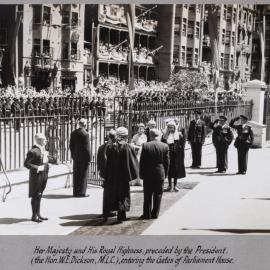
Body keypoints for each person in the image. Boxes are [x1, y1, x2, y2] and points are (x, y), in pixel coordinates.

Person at [105, 127, 139, 223]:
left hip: (114, 175)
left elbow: (108, 162)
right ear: (125, 136)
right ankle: (121, 215)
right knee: (123, 194)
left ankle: (120, 215)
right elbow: (130, 162)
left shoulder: (111, 147)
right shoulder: (126, 147)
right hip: (123, 176)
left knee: (117, 194)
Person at [24, 133, 57, 223]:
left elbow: (52, 160)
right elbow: (26, 164)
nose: (46, 140)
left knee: (40, 194)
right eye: (44, 139)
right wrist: (37, 167)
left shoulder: (44, 150)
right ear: (39, 140)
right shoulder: (33, 151)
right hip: (36, 176)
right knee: (36, 195)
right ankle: (34, 215)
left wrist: (50, 160)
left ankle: (38, 214)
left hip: (44, 174)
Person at [139, 129, 169, 219]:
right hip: (160, 173)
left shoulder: (145, 145)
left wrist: (141, 174)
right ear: (158, 136)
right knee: (158, 194)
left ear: (150, 136)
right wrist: (165, 174)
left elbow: (142, 162)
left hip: (148, 173)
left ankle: (146, 214)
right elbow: (167, 162)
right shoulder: (165, 146)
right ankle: (155, 213)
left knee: (147, 194)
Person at [97, 129, 117, 222]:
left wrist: (101, 171)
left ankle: (106, 210)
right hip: (112, 174)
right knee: (112, 192)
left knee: (106, 193)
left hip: (105, 173)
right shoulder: (114, 147)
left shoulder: (102, 147)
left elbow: (99, 161)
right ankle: (111, 210)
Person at [162, 120, 186, 191]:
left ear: (175, 127)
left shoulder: (178, 135)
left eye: (172, 127)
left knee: (175, 170)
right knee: (169, 170)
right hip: (168, 154)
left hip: (176, 155)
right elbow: (163, 142)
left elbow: (181, 145)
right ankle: (169, 185)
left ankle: (175, 185)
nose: (171, 128)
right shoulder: (165, 135)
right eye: (169, 127)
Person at [69, 118, 91, 197]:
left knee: (76, 174)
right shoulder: (86, 134)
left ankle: (75, 192)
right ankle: (82, 192)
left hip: (76, 157)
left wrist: (73, 155)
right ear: (85, 124)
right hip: (84, 158)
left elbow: (71, 146)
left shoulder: (73, 133)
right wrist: (89, 158)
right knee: (83, 175)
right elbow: (87, 148)